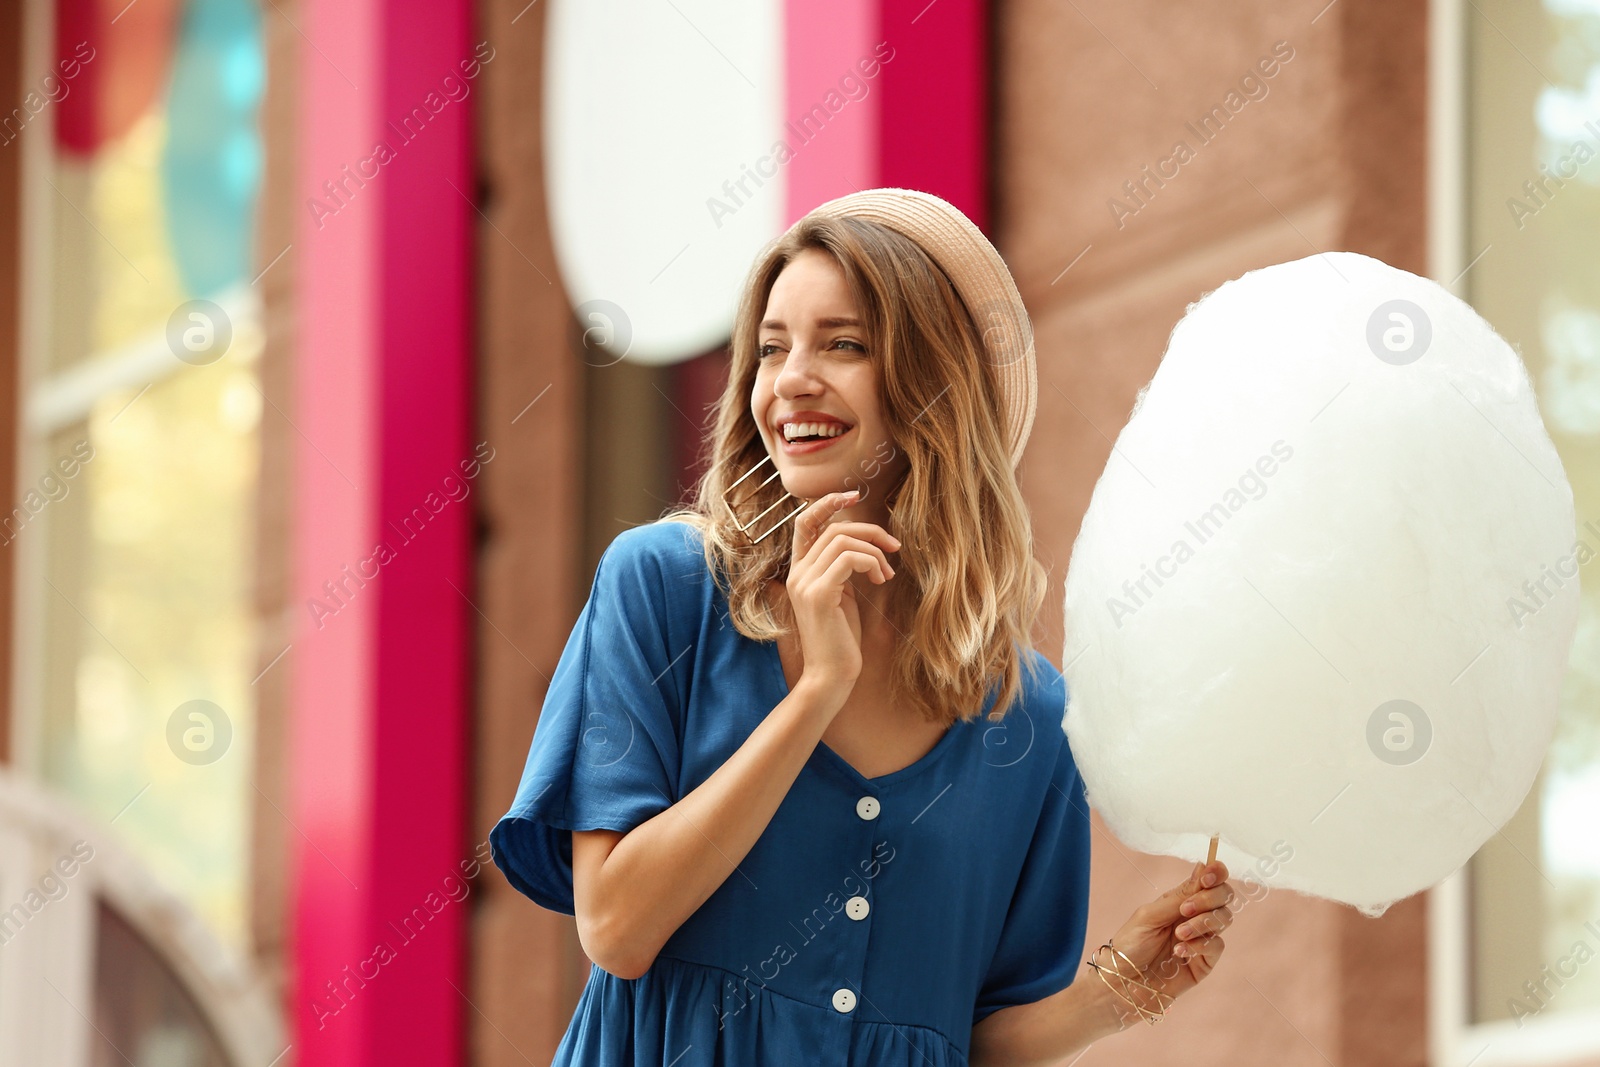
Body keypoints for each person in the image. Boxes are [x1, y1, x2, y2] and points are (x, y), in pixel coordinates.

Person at [490, 188, 1236, 1065]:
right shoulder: (665, 588)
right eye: (771, 349)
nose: (791, 379)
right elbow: (615, 924)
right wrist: (815, 695)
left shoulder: (1027, 716)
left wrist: (1118, 995)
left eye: (843, 344)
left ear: (936, 389)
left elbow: (964, 1040)